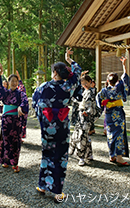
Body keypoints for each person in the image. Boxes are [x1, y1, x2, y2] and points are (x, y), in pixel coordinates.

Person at [32, 48, 81, 202]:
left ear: (54, 73)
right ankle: (57, 192)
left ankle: (42, 185)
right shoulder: (68, 86)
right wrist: (70, 60)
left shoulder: (44, 87)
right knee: (60, 156)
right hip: (62, 124)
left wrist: (42, 119)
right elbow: (77, 72)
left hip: (48, 125)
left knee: (47, 153)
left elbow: (35, 103)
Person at [96, 56, 130, 167]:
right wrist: (124, 65)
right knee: (118, 135)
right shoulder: (119, 88)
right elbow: (125, 79)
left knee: (110, 135)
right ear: (117, 81)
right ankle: (119, 158)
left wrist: (103, 105)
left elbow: (98, 99)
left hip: (108, 114)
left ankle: (112, 155)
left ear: (107, 80)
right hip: (118, 114)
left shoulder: (104, 91)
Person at [0, 62, 29, 173]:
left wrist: (21, 107)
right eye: (11, 81)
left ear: (17, 83)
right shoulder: (5, 93)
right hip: (6, 120)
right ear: (8, 83)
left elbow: (25, 101)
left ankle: (15, 163)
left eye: (15, 81)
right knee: (5, 140)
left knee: (15, 142)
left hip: (16, 121)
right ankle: (6, 160)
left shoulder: (20, 93)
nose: (13, 83)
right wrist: (0, 73)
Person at [69, 74, 100, 166]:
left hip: (86, 116)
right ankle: (89, 154)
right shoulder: (86, 91)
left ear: (91, 82)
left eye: (86, 83)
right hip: (82, 115)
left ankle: (81, 157)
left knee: (81, 136)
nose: (85, 85)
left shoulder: (91, 91)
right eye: (83, 83)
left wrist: (88, 111)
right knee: (83, 135)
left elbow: (91, 105)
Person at [16, 70, 28, 142]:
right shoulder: (14, 89)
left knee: (22, 123)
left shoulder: (21, 87)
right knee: (18, 123)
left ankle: (20, 137)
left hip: (23, 107)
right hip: (17, 108)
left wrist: (19, 77)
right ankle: (18, 137)